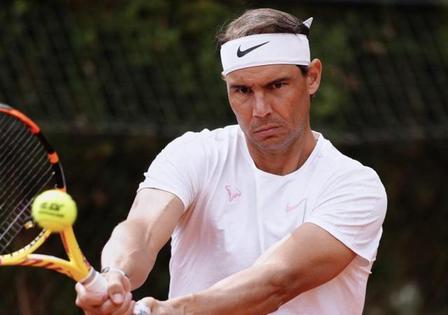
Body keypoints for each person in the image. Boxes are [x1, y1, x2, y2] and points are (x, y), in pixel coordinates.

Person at [75, 8, 387, 315]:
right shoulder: (194, 154)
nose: (260, 108)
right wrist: (117, 274)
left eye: (277, 85)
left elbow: (276, 282)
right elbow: (141, 228)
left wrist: (173, 311)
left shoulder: (355, 187)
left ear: (313, 77)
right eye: (242, 90)